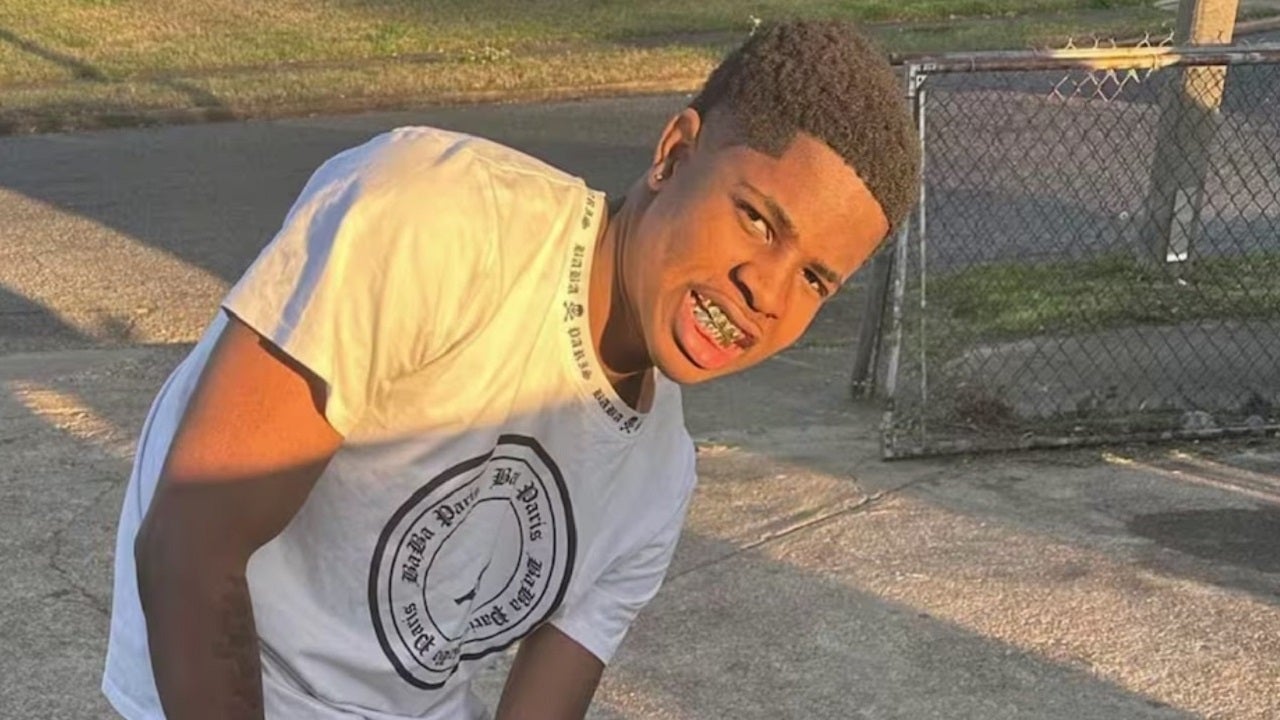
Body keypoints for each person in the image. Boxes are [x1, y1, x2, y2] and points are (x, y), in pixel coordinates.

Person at [101, 19, 919, 720]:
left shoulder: (657, 483)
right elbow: (188, 550)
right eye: (758, 221)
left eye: (815, 280)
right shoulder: (431, 221)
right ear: (674, 154)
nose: (766, 292)